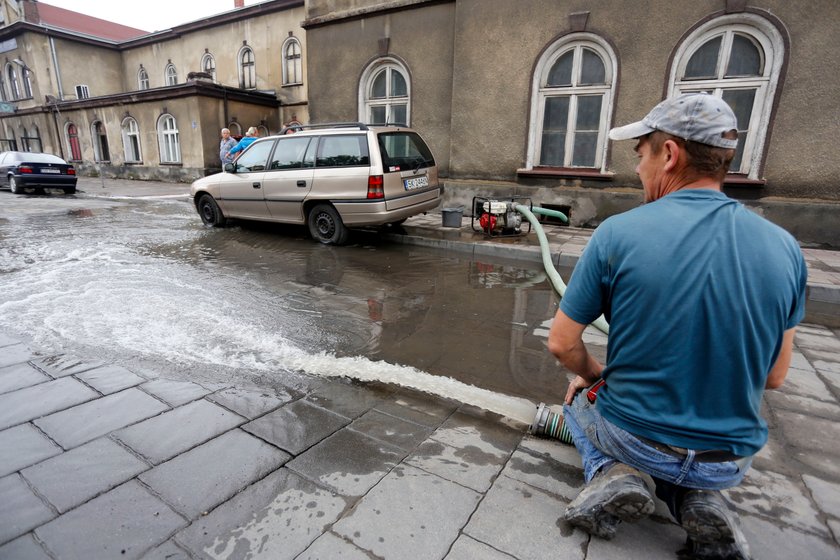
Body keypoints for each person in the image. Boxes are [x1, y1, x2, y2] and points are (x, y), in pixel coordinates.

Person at [547, 93, 807, 559]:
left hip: (635, 439)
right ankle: (698, 498)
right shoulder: (786, 249)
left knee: (575, 403)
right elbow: (775, 376)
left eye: (641, 154)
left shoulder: (619, 233)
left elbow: (562, 343)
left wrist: (593, 378)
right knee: (689, 463)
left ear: (669, 154)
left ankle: (613, 472)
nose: (638, 169)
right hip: (727, 459)